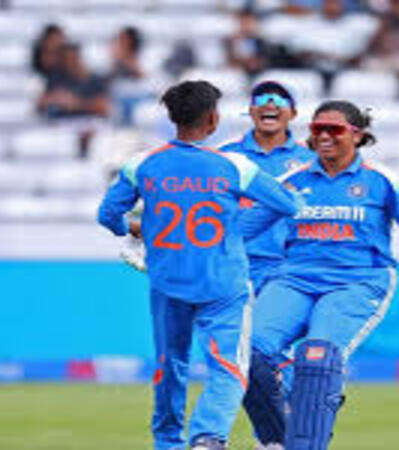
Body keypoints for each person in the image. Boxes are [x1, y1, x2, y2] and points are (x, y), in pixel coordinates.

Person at [244, 100, 399, 450]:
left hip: (357, 281)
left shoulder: (380, 180)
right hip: (293, 279)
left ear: (357, 134)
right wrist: (185, 248)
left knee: (318, 359)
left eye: (334, 129)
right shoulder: (291, 181)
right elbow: (240, 229)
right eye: (317, 129)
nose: (324, 136)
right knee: (249, 352)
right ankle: (276, 440)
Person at [98, 80, 304, 450]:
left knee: (170, 364)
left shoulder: (142, 164)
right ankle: (208, 437)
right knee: (228, 366)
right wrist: (237, 227)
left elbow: (107, 215)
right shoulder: (234, 166)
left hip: (168, 281)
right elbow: (290, 206)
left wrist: (135, 228)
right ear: (213, 119)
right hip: (224, 285)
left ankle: (167, 441)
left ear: (172, 118)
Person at [219, 81, 314, 450]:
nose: (269, 104)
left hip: (291, 271)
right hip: (236, 269)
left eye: (278, 100)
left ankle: (278, 436)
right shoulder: (226, 158)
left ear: (293, 113)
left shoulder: (309, 160)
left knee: (275, 358)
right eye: (260, 99)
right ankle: (274, 437)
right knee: (242, 357)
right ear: (250, 110)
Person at [36, 42, 111, 158]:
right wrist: (56, 99)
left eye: (73, 58)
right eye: (67, 59)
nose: (70, 62)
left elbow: (104, 107)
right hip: (62, 124)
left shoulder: (94, 79)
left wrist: (76, 103)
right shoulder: (55, 79)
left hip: (88, 122)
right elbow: (41, 103)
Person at [222, 8, 306, 81]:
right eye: (243, 22)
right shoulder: (231, 41)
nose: (246, 26)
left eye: (249, 22)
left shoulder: (262, 40)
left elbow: (266, 59)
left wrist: (259, 62)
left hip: (262, 72)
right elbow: (230, 61)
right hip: (240, 74)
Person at [108, 26, 151, 126]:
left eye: (124, 40)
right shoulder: (115, 60)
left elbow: (144, 76)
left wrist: (124, 58)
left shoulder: (145, 57)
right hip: (119, 98)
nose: (121, 43)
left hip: (140, 97)